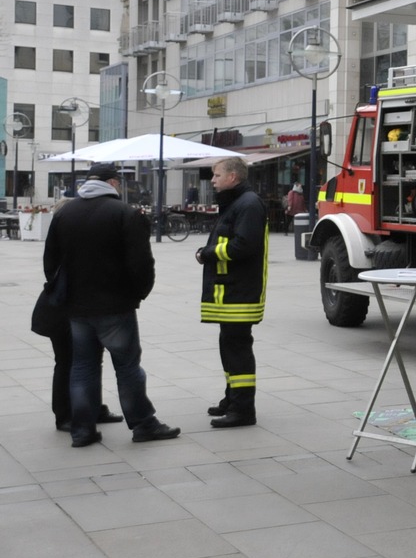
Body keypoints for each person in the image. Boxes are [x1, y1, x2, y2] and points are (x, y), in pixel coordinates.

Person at [42, 162, 180, 448]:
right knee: (127, 367)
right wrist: (139, 294)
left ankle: (82, 430)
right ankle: (143, 424)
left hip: (77, 307)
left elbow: (50, 261)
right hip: (115, 305)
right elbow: (141, 263)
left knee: (83, 366)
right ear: (114, 183)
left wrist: (65, 294)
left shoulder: (66, 212)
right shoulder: (125, 214)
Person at [34, 195, 124, 433]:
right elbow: (53, 271)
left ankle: (92, 408)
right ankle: (64, 414)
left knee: (90, 361)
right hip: (64, 310)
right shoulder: (66, 242)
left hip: (86, 308)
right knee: (67, 362)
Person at [197, 157, 269, 428]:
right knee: (229, 347)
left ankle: (243, 410)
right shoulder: (237, 203)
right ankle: (233, 399)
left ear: (233, 177)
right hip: (230, 292)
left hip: (240, 292)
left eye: (216, 175)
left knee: (237, 350)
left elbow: (243, 246)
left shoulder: (248, 204)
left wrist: (207, 254)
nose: (213, 180)